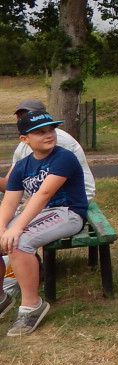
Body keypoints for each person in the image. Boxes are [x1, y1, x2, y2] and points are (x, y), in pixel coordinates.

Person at [0, 110, 89, 336]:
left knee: (19, 242)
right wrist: (3, 227)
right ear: (25, 139)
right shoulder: (22, 166)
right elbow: (10, 202)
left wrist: (17, 227)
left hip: (67, 212)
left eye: (51, 130)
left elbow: (44, 194)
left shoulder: (63, 157)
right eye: (40, 132)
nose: (49, 135)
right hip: (40, 214)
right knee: (5, 237)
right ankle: (2, 299)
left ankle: (32, 306)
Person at [0, 98, 96, 201]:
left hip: (67, 200)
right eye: (20, 116)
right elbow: (9, 185)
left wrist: (23, 209)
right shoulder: (24, 145)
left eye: (30, 114)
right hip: (36, 198)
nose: (24, 118)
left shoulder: (54, 140)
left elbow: (47, 191)